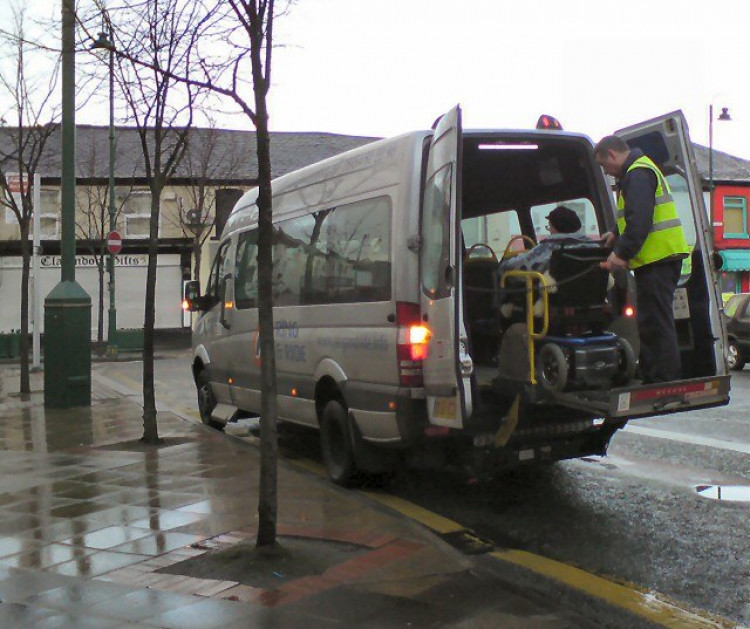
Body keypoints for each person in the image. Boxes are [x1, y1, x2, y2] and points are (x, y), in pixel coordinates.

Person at [594, 135, 690, 383]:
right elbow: (635, 212)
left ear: (613, 154)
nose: (606, 171)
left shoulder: (638, 173)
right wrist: (615, 233)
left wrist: (620, 255)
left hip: (659, 259)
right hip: (658, 259)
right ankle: (652, 371)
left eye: (605, 165)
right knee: (650, 320)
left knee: (656, 321)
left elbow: (640, 222)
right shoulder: (637, 172)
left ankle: (663, 377)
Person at [499, 205, 582, 273]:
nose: (549, 230)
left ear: (557, 227)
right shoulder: (591, 245)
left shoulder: (548, 246)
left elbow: (524, 265)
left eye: (549, 226)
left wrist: (504, 265)